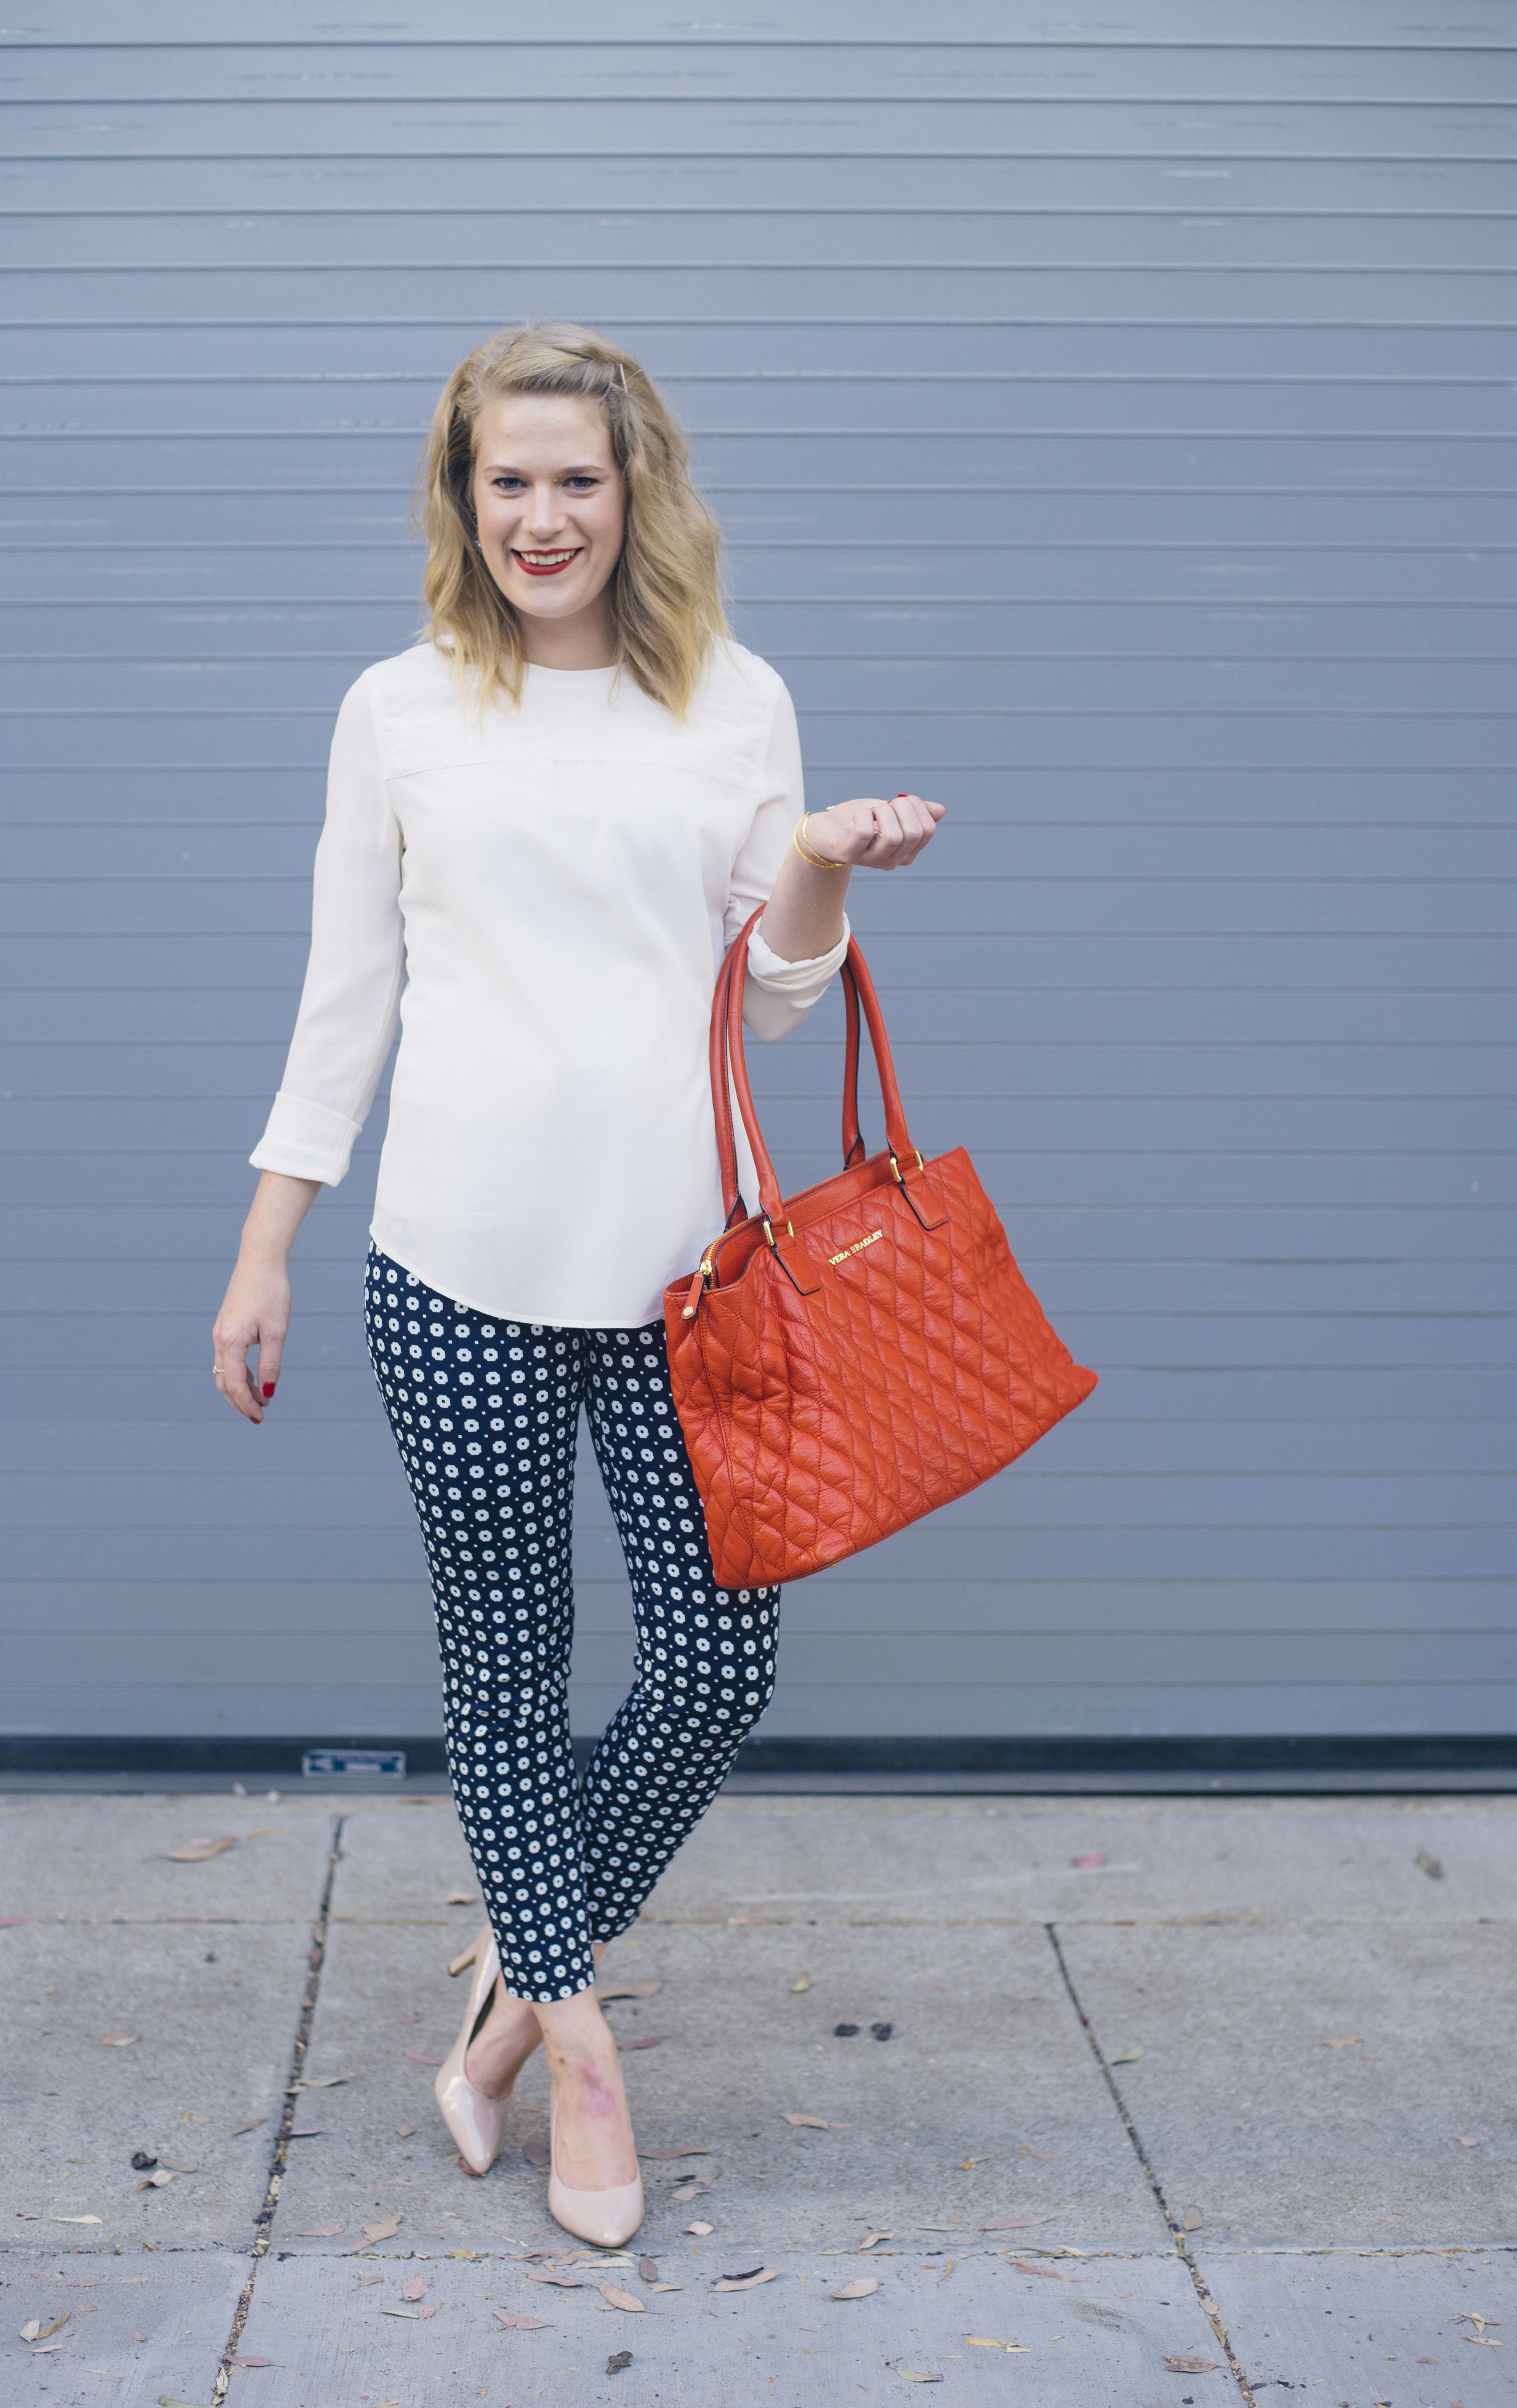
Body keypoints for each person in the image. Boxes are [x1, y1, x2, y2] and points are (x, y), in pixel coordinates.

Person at [211, 323, 944, 2245]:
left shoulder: (734, 697)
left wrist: (819, 861)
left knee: (720, 1658)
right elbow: (343, 995)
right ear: (464, 500)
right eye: (506, 480)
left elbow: (774, 1000)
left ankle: (502, 1999)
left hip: (687, 1278)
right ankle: (579, 2040)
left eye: (576, 480)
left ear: (638, 495)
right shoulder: (400, 707)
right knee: (508, 1672)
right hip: (452, 1264)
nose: (541, 515)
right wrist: (267, 1241)